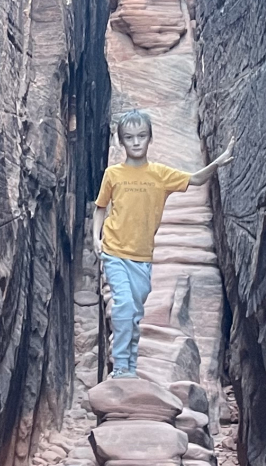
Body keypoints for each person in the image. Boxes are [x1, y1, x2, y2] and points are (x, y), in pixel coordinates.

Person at [93, 110, 233, 376]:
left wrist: (217, 162)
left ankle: (130, 365)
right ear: (121, 141)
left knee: (133, 313)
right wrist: (96, 238)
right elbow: (100, 208)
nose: (136, 142)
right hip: (114, 252)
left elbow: (195, 179)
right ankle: (121, 366)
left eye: (141, 136)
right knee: (123, 306)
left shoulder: (160, 174)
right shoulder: (113, 174)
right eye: (129, 137)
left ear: (150, 138)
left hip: (143, 258)